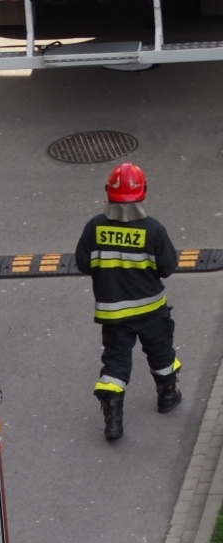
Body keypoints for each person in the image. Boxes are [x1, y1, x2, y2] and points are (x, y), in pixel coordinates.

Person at [75, 162, 181, 442]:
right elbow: (167, 267)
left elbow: (83, 263)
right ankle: (167, 396)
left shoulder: (94, 227)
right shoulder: (153, 229)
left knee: (116, 364)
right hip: (151, 311)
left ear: (108, 192)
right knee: (161, 355)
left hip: (113, 314)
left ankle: (113, 422)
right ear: (143, 192)